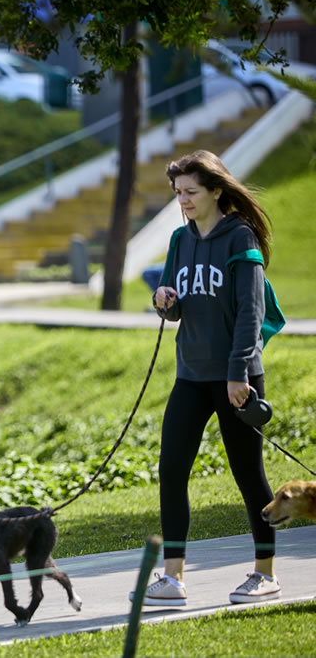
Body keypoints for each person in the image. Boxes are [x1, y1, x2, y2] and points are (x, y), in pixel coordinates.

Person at [135, 150, 279, 606]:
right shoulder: (181, 239)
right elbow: (176, 309)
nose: (183, 200)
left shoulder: (240, 237)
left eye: (191, 192)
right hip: (191, 375)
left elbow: (251, 312)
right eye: (178, 192)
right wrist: (164, 301)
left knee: (248, 474)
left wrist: (239, 374)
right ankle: (173, 578)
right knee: (172, 470)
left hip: (237, 377)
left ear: (216, 190)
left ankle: (265, 573)